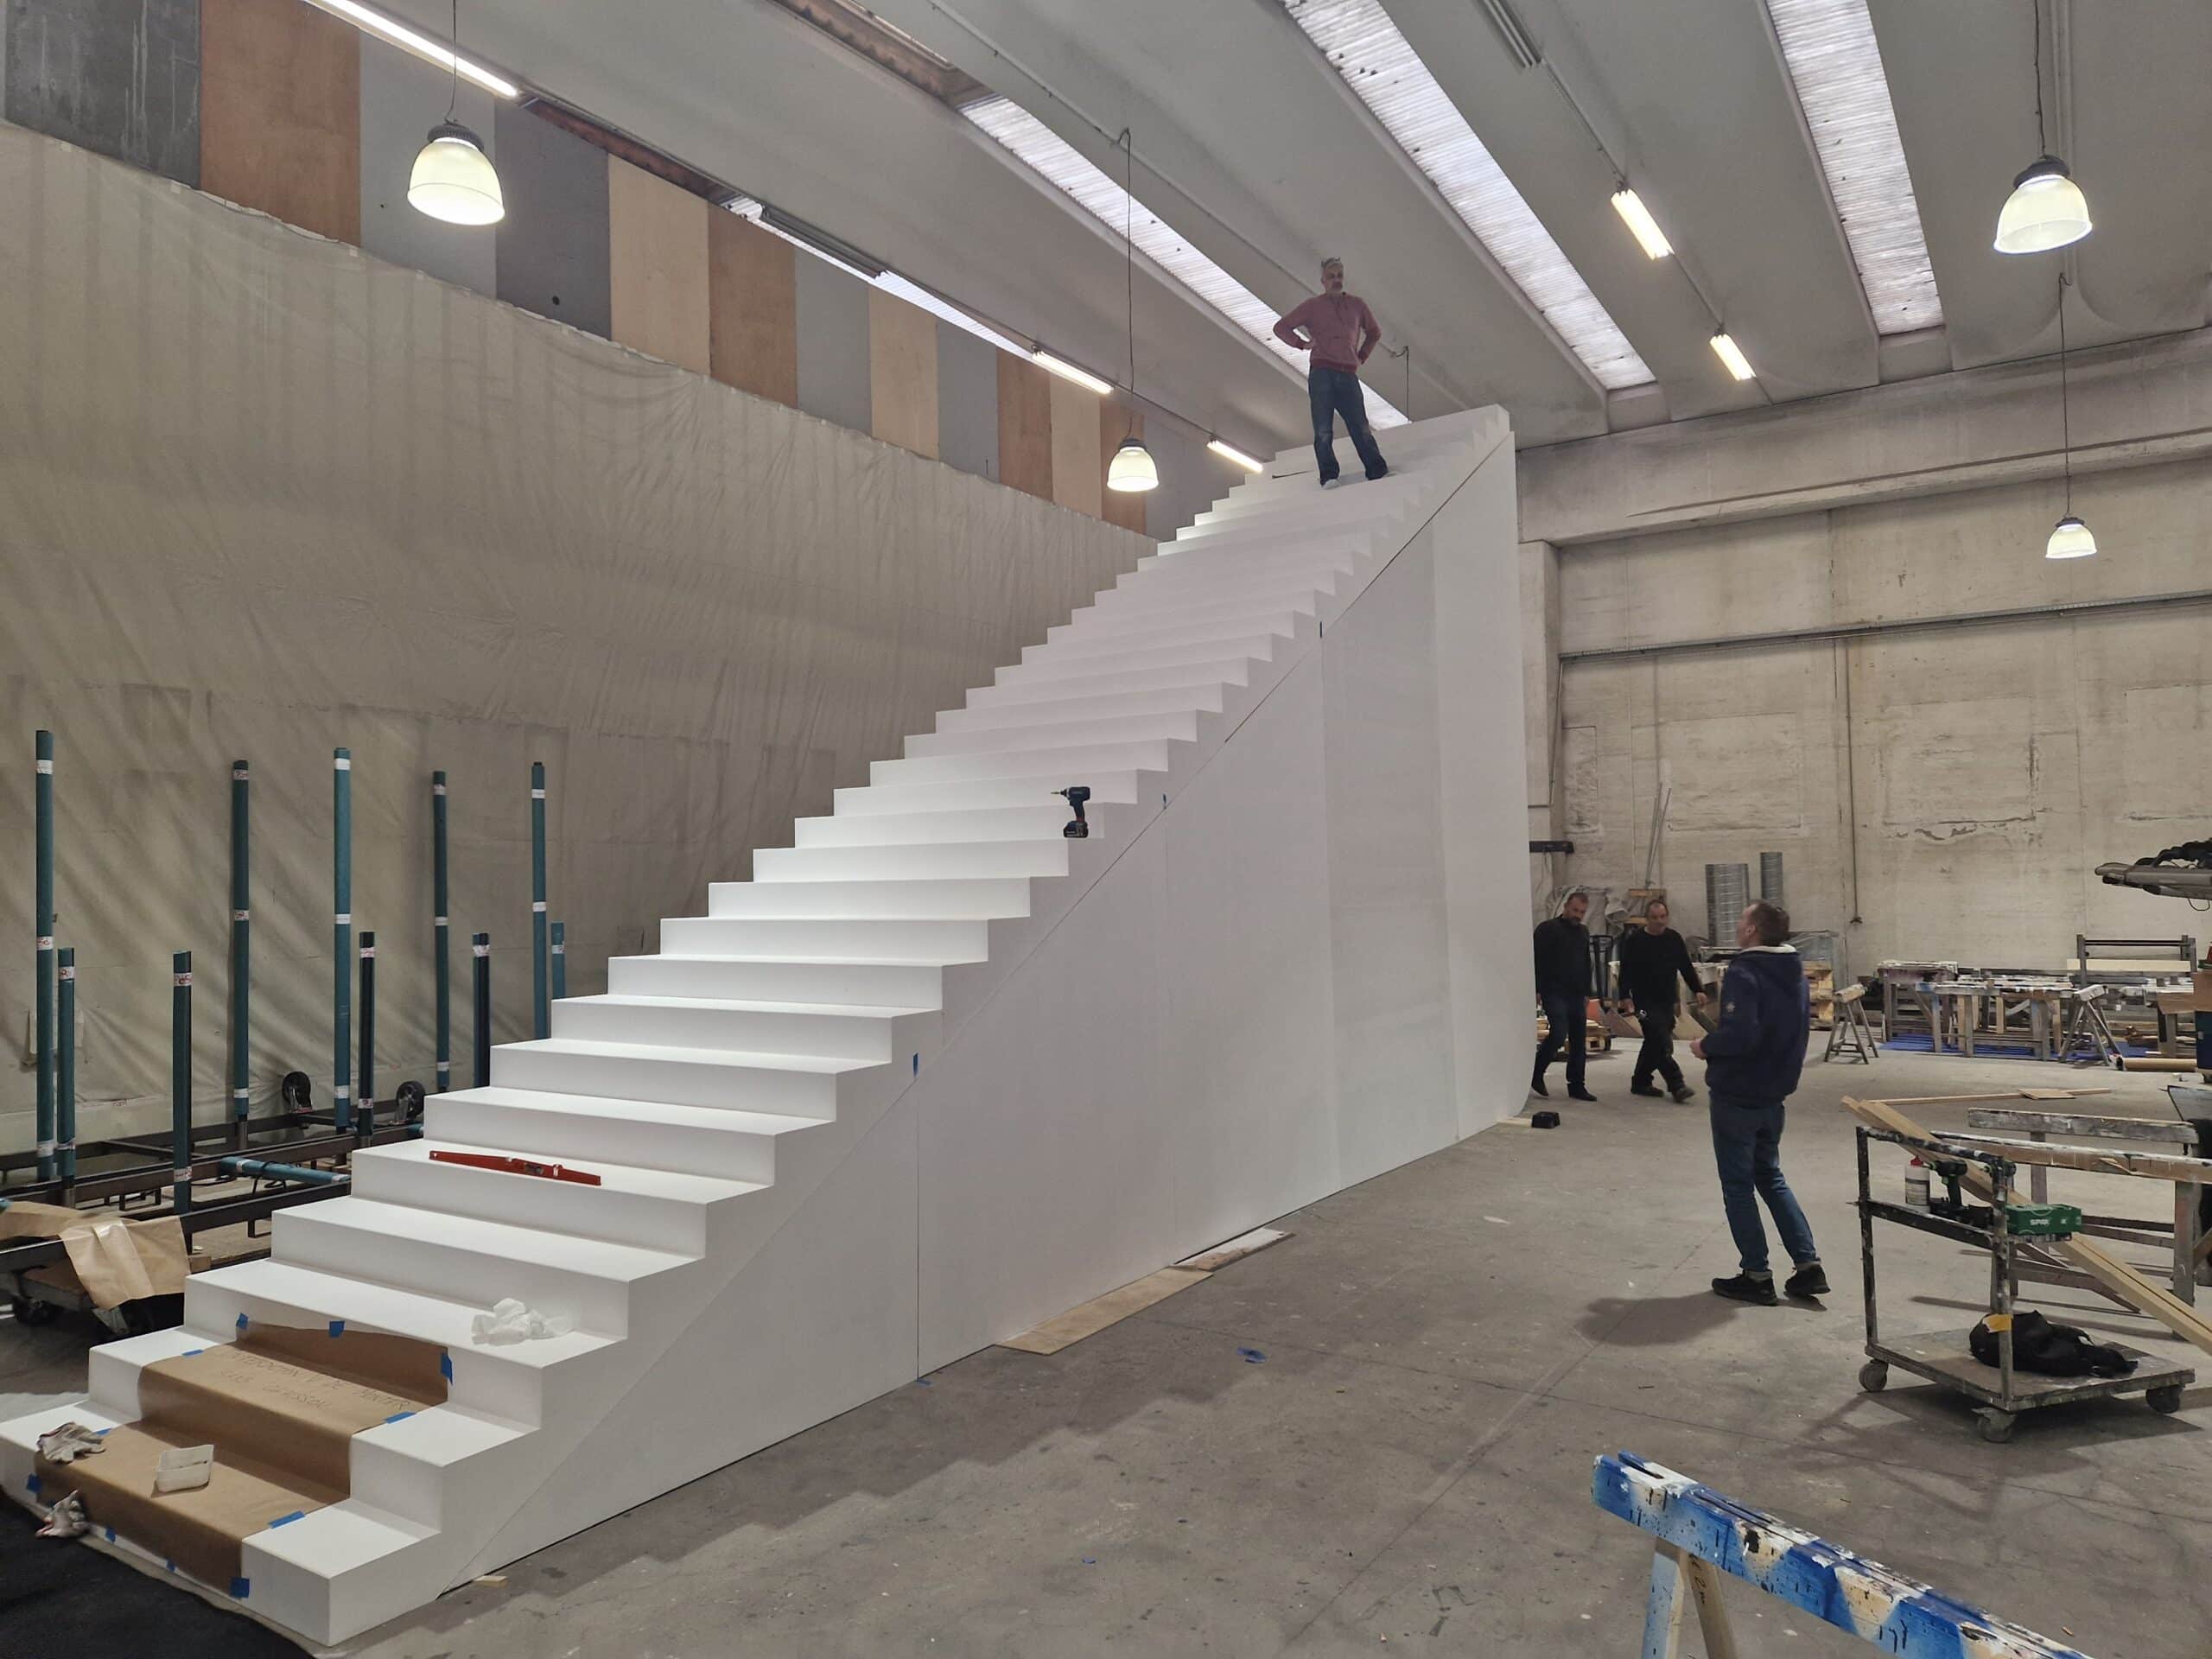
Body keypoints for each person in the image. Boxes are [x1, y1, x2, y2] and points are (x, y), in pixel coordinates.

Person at [1690, 901, 1827, 1305]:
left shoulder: (1745, 970)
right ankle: (1808, 1266)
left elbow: (1741, 1034)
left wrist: (1705, 1045)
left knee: (1738, 1184)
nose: (1737, 926)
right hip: (1774, 1090)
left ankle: (1756, 1274)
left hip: (1739, 1092)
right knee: (1769, 1175)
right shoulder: (1793, 971)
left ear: (1752, 930)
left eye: (1742, 921)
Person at [1271, 257, 1389, 490]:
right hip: (1322, 372)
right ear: (1323, 281)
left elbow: (1375, 332)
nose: (1336, 280)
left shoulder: (1357, 305)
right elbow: (1281, 327)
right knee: (1323, 428)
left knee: (1360, 426)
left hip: (1348, 372)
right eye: (1331, 276)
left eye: (1339, 276)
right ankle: (1328, 475)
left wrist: (1362, 355)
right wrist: (1302, 344)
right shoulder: (1312, 306)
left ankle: (1376, 469)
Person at [1617, 898, 1706, 1103]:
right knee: (1661, 1042)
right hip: (1643, 1003)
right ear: (1647, 919)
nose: (1659, 921)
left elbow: (1685, 966)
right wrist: (1624, 996)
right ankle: (1677, 1085)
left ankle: (1640, 1081)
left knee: (1654, 1041)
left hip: (1666, 1000)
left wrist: (1697, 990)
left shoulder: (1673, 938)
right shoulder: (1635, 941)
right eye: (1655, 917)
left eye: (1663, 917)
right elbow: (1626, 970)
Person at [1530, 892, 1597, 1103]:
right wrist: (1537, 989)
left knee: (1578, 1039)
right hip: (1553, 991)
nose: (1578, 915)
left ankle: (1577, 1085)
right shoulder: (1547, 929)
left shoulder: (1583, 932)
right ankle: (1536, 1071)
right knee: (1559, 1033)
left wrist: (1587, 992)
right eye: (1575, 910)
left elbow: (1586, 963)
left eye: (1582, 912)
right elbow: (1536, 960)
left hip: (1576, 993)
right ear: (1566, 906)